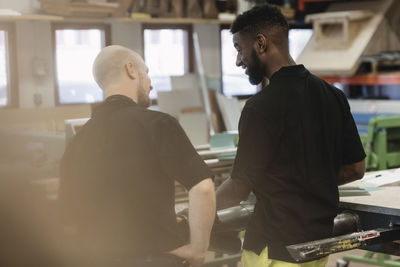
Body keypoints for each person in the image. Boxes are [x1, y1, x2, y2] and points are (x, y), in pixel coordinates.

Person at [216, 4, 366, 267]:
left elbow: (239, 188)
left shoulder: (259, 107)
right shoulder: (333, 96)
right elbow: (355, 168)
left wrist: (199, 206)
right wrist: (311, 183)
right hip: (316, 248)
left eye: (240, 49)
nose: (238, 60)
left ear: (261, 43)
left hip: (273, 251)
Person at [59, 45, 216, 267]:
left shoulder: (77, 141)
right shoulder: (159, 124)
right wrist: (198, 250)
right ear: (131, 69)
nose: (150, 83)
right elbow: (203, 188)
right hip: (155, 260)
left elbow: (68, 219)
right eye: (147, 72)